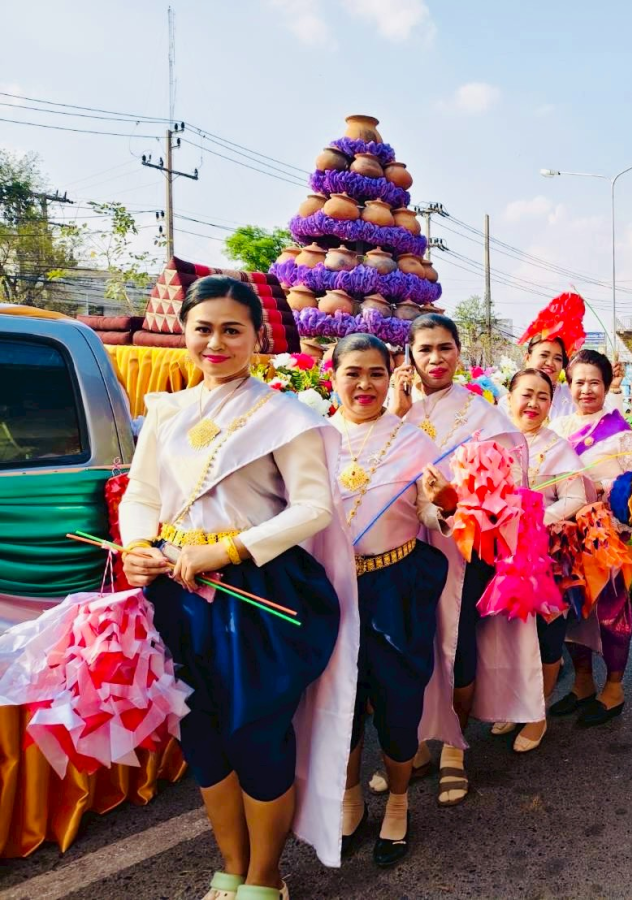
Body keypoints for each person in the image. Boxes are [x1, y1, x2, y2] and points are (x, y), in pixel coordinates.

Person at [120, 275, 357, 898]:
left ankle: (265, 873)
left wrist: (225, 550)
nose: (216, 342)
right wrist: (140, 549)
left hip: (259, 594)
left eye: (232, 330)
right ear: (186, 331)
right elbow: (142, 493)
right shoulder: (167, 411)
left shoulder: (285, 417)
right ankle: (229, 860)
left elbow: (313, 508)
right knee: (199, 727)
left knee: (256, 730)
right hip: (177, 589)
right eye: (204, 329)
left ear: (259, 336)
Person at [390, 313, 538, 808]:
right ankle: (413, 742)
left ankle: (453, 748)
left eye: (445, 348)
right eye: (425, 348)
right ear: (409, 355)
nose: (435, 358)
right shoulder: (395, 414)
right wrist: (396, 410)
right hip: (401, 549)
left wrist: (456, 502)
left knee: (458, 645)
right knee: (412, 647)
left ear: (459, 353)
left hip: (463, 547)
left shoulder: (485, 416)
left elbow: (510, 487)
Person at [331, 334, 456, 867]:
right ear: (330, 373)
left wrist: (443, 504)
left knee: (398, 702)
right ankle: (349, 798)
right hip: (332, 591)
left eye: (377, 373)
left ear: (393, 376)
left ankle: (399, 801)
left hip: (396, 585)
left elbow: (430, 516)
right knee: (342, 702)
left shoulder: (414, 441)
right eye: (353, 372)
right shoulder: (312, 438)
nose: (364, 384)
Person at [490, 368, 590, 750]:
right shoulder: (494, 442)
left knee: (546, 637)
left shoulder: (558, 447)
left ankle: (537, 713)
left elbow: (575, 498)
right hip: (499, 554)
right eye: (526, 394)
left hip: (545, 556)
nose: (533, 403)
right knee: (507, 635)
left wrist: (536, 518)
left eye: (543, 397)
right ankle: (512, 703)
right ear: (510, 396)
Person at [548, 349, 632, 726]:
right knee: (573, 613)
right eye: (579, 382)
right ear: (568, 385)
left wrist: (605, 489)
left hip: (606, 536)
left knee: (611, 614)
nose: (586, 390)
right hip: (564, 536)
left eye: (595, 382)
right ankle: (583, 683)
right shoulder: (556, 429)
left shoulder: (621, 433)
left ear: (607, 386)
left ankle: (615, 686)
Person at [517, 291, 588, 420]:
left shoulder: (574, 397)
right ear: (527, 358)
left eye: (557, 358)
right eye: (544, 355)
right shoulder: (509, 400)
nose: (550, 363)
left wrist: (615, 389)